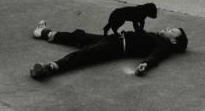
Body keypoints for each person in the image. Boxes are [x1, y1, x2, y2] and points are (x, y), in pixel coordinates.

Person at [29, 20, 188, 80]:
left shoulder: (164, 46)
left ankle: (48, 69)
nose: (168, 29)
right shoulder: (159, 39)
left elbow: (156, 56)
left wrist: (145, 64)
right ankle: (43, 32)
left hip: (116, 47)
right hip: (114, 39)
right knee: (80, 37)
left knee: (85, 54)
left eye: (172, 31)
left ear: (173, 40)